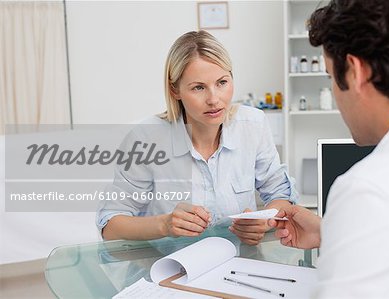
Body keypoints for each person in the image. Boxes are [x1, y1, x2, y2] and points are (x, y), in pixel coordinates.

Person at [269, 0, 389, 297]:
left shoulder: (371, 190)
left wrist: (354, 222)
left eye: (330, 76)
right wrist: (333, 232)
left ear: (355, 72)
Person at [97, 30, 298, 245]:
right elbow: (110, 225)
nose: (214, 99)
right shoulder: (146, 138)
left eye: (222, 82)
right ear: (175, 90)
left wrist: (265, 221)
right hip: (165, 268)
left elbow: (281, 195)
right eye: (199, 87)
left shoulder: (253, 125)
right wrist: (164, 225)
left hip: (237, 264)